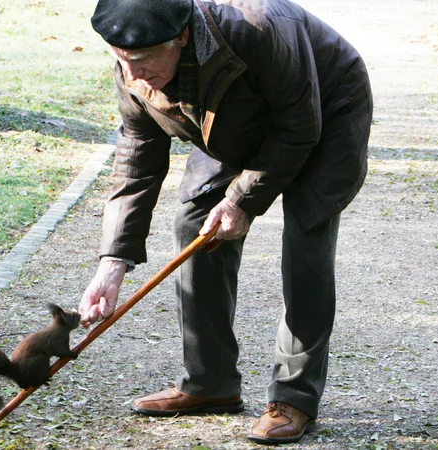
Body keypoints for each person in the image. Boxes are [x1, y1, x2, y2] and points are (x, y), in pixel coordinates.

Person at [78, 0, 372, 444]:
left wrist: (241, 201)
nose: (132, 74)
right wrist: (112, 262)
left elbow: (298, 125)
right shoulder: (134, 69)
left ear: (180, 36)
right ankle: (209, 382)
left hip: (325, 110)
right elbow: (137, 164)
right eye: (121, 59)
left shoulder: (260, 27)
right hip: (236, 120)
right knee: (195, 221)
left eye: (141, 60)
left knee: (306, 238)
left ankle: (294, 397)